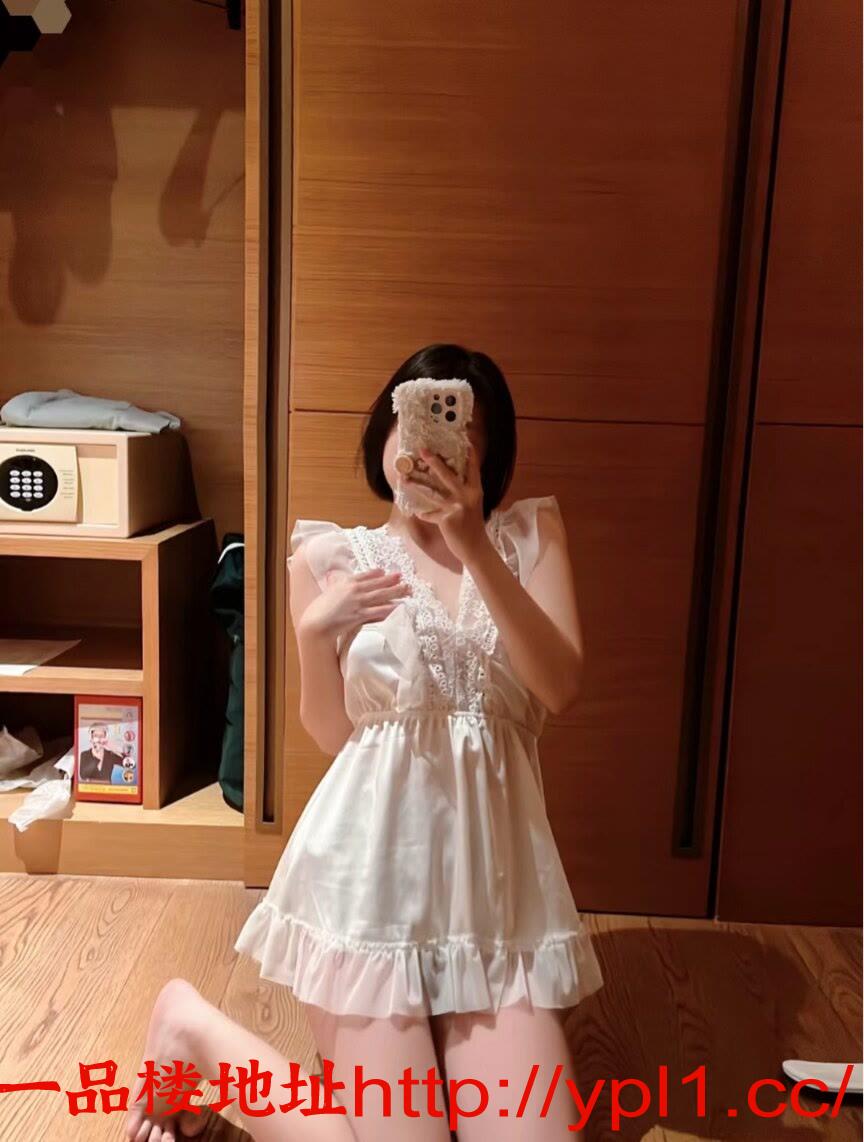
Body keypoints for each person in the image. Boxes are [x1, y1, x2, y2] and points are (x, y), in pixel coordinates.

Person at [125, 343, 605, 1142]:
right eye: (408, 418)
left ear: (488, 453)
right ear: (383, 432)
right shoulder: (329, 557)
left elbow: (559, 686)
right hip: (367, 894)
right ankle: (190, 1029)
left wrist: (473, 545)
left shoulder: (529, 537)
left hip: (496, 905)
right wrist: (314, 635)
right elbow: (330, 734)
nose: (426, 444)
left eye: (457, 426)